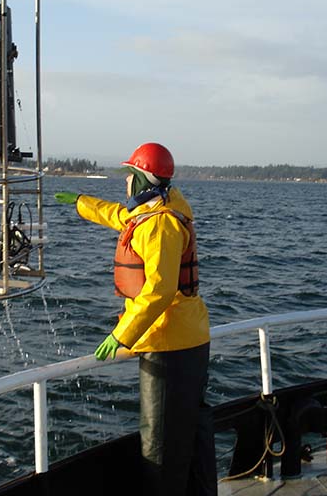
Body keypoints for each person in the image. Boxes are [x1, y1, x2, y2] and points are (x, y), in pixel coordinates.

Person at [54, 142, 217, 496]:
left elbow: (158, 291)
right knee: (194, 428)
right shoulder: (155, 210)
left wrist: (122, 335)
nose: (125, 184)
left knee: (161, 445)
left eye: (129, 176)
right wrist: (81, 202)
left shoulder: (161, 227)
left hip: (168, 344)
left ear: (143, 181)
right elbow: (117, 215)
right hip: (189, 339)